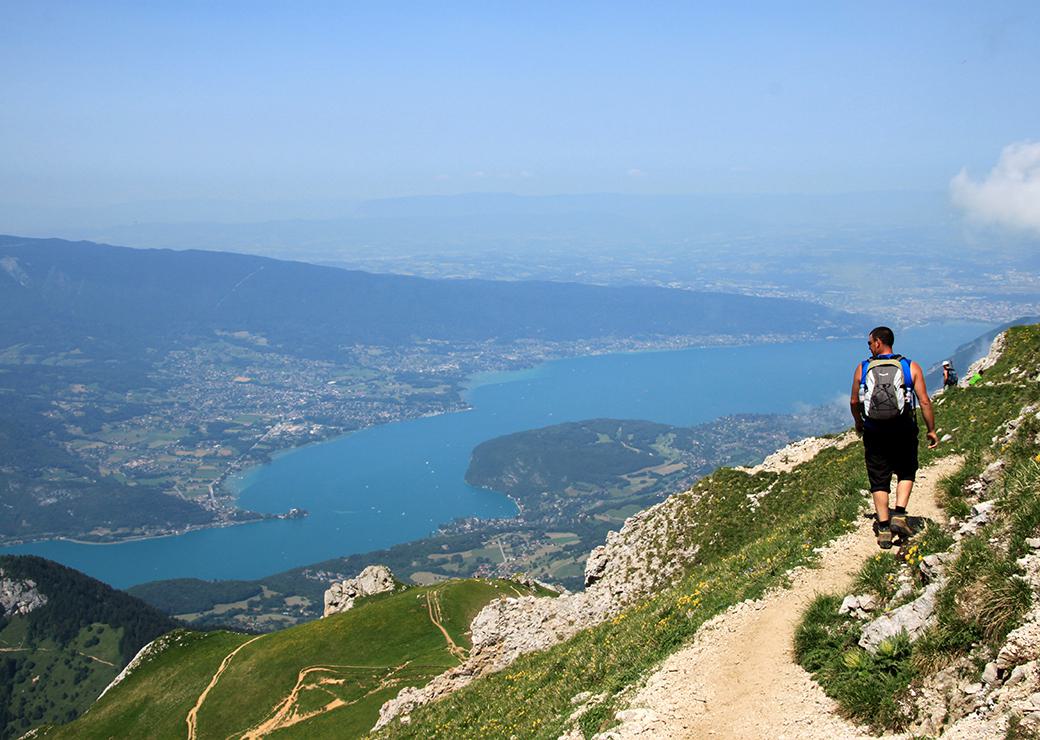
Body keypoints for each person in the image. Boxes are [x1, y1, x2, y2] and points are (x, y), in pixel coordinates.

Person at [850, 326, 939, 549]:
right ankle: (899, 514)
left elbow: (854, 401)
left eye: (870, 343)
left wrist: (859, 422)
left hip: (874, 431)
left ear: (878, 342)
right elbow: (924, 401)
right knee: (906, 470)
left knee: (878, 477)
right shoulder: (909, 367)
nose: (869, 347)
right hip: (904, 429)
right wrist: (931, 429)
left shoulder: (864, 368)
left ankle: (883, 529)